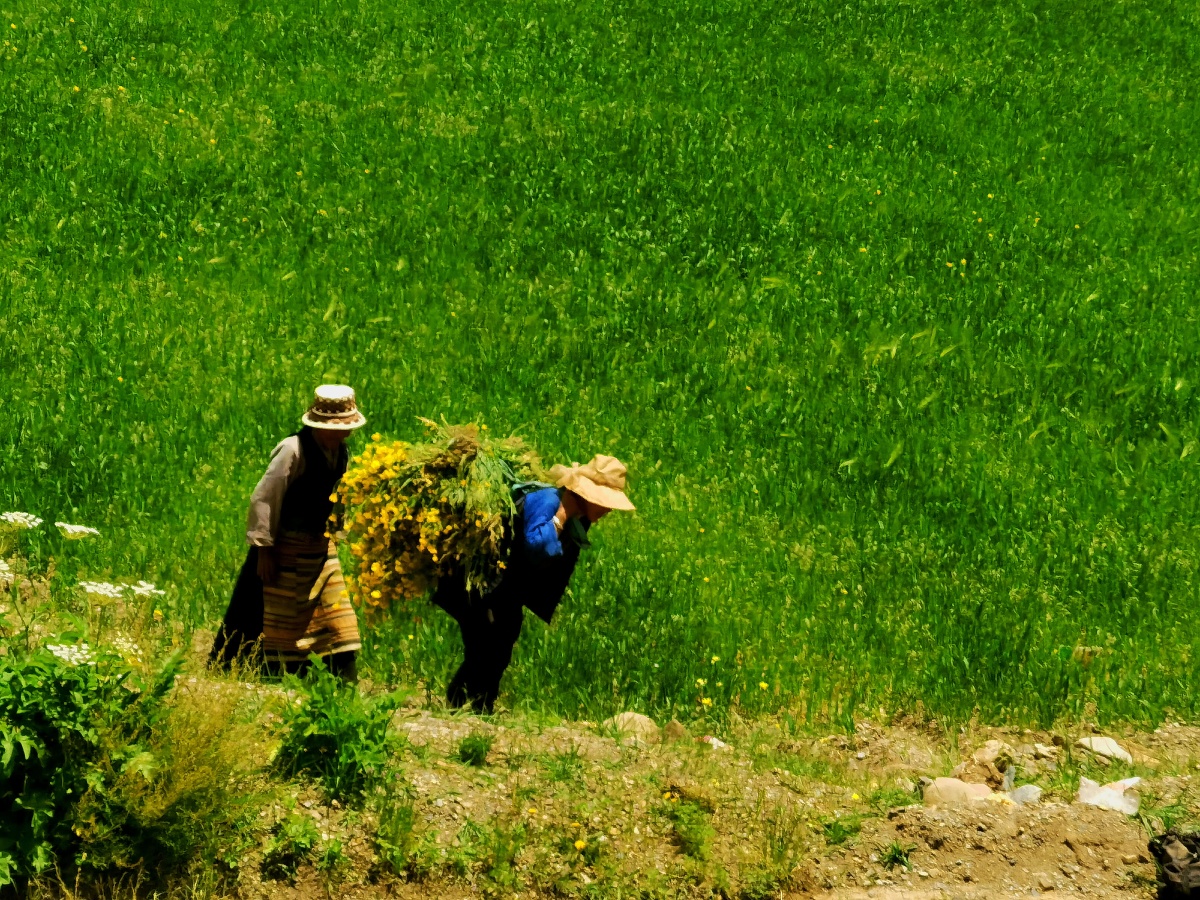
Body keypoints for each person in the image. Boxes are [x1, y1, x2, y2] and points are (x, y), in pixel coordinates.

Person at [432, 454, 635, 713]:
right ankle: (464, 704)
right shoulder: (549, 502)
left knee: (503, 637)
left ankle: (479, 706)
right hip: (476, 583)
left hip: (503, 589)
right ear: (588, 496)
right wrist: (560, 517)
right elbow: (538, 547)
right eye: (605, 502)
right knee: (485, 642)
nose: (609, 510)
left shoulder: (579, 517)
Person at [210, 385, 366, 681]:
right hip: (282, 549)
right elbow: (265, 498)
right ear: (319, 426)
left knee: (338, 617)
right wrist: (264, 550)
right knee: (263, 615)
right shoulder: (293, 450)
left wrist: (337, 531)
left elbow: (339, 494)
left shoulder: (341, 452)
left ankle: (342, 681)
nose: (344, 434)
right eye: (338, 429)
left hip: (320, 551)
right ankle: (253, 672)